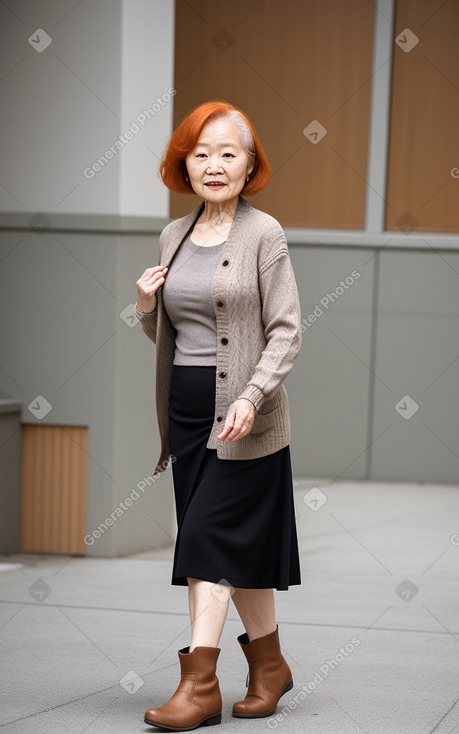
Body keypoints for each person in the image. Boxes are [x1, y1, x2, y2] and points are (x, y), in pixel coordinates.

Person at [135, 100, 302, 731]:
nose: (213, 165)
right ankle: (271, 666)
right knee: (234, 548)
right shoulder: (173, 236)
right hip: (185, 411)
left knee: (205, 540)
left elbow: (286, 332)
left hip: (245, 418)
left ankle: (199, 684)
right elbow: (172, 338)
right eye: (200, 153)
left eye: (228, 152)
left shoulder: (265, 235)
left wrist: (250, 397)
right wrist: (147, 304)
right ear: (185, 163)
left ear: (250, 163)